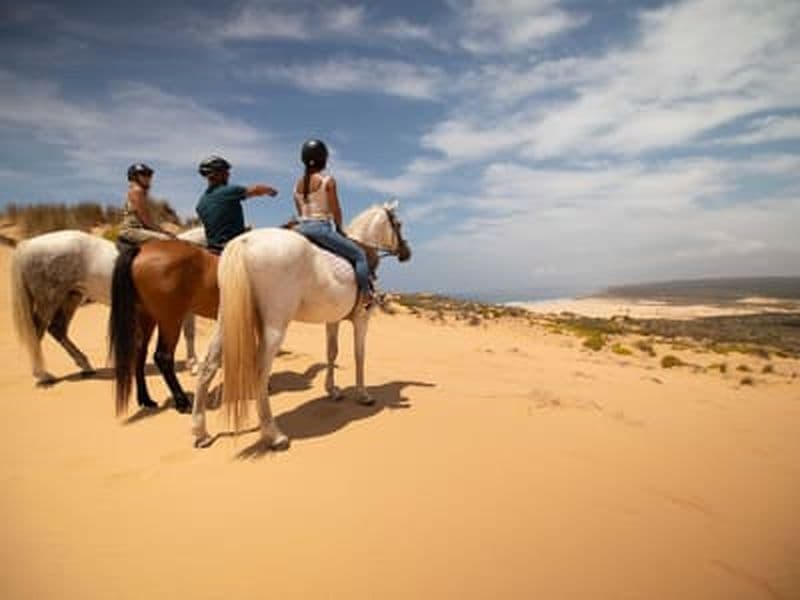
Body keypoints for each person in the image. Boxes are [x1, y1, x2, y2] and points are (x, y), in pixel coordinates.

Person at [293, 139, 373, 307]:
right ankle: (365, 295)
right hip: (320, 229)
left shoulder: (296, 186)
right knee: (360, 255)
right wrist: (339, 229)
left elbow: (300, 213)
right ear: (323, 159)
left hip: (299, 229)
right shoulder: (327, 181)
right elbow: (336, 209)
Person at [195, 155, 278, 254]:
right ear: (217, 174)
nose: (228, 175)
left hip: (213, 250)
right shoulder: (228, 191)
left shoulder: (201, 203)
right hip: (233, 247)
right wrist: (269, 190)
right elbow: (255, 190)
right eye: (225, 172)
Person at [118, 163, 175, 245]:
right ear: (134, 177)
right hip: (131, 230)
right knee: (167, 239)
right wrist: (162, 231)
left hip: (137, 229)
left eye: (149, 175)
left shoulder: (138, 192)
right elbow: (145, 219)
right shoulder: (137, 191)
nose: (148, 177)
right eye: (144, 174)